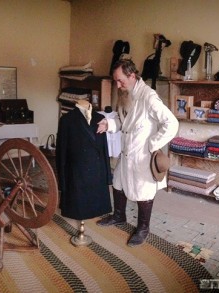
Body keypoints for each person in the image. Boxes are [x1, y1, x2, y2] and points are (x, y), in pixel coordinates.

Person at [96, 59, 178, 247]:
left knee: (143, 192)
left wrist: (153, 144)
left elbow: (172, 123)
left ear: (132, 76)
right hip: (126, 153)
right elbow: (121, 120)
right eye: (116, 81)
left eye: (120, 80)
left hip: (142, 155)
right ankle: (119, 216)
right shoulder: (126, 93)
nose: (118, 85)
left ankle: (143, 228)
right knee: (118, 184)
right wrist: (108, 124)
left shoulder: (148, 97)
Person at [56, 99, 112, 221]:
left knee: (94, 203)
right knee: (79, 206)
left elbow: (104, 149)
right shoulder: (67, 120)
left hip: (97, 169)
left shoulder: (100, 118)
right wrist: (62, 181)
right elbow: (61, 152)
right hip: (76, 170)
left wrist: (107, 175)